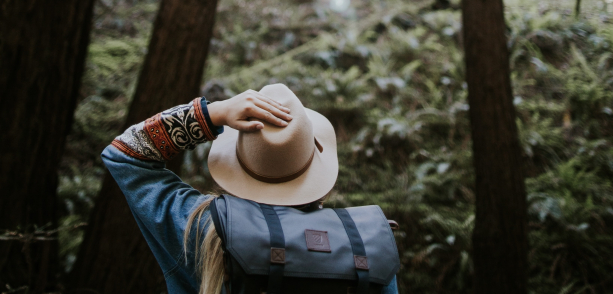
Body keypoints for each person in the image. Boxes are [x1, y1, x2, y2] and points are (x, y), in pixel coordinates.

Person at [104, 83, 399, 294]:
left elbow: (126, 154)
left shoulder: (202, 229)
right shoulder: (366, 242)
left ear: (238, 161)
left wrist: (212, 113)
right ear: (316, 161)